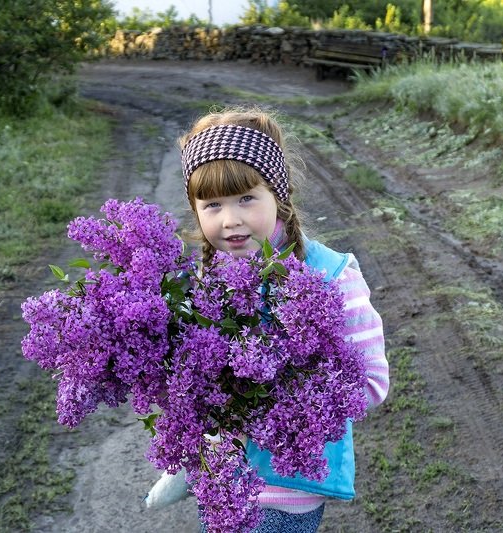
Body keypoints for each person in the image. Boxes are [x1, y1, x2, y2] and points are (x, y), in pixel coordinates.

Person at [179, 107, 390, 533]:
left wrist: (279, 405)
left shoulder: (331, 275)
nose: (230, 219)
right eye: (212, 204)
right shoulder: (205, 276)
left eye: (246, 198)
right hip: (220, 475)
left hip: (286, 484)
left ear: (278, 195)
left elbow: (370, 382)